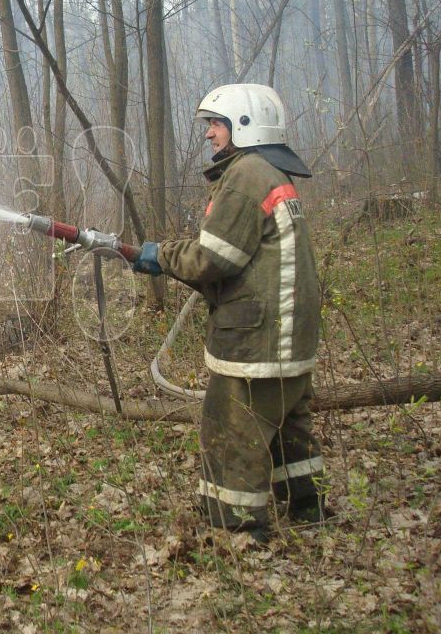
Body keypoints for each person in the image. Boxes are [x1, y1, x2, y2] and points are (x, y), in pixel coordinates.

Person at [132, 84, 327, 542]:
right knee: (287, 427)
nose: (209, 135)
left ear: (243, 125)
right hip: (290, 335)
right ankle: (308, 505)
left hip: (257, 338)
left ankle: (236, 527)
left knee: (231, 424)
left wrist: (160, 256)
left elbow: (212, 259)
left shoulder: (246, 176)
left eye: (215, 125)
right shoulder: (273, 174)